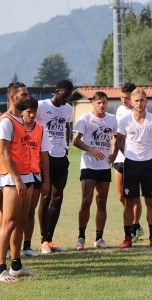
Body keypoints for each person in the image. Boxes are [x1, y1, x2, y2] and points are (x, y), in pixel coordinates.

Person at [117, 88, 152, 249]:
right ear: (131, 101)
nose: (139, 103)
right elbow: (120, 141)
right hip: (131, 164)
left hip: (149, 164)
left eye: (142, 100)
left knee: (151, 202)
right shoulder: (124, 121)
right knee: (129, 202)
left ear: (146, 101)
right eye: (136, 100)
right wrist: (129, 155)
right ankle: (127, 237)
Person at [73, 92, 118, 250]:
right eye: (99, 102)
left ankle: (99, 238)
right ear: (93, 103)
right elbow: (75, 141)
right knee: (86, 201)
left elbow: (116, 138)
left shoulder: (112, 119)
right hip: (89, 165)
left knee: (102, 202)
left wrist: (114, 153)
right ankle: (81, 237)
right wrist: (91, 150)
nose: (102, 105)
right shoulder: (85, 119)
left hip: (104, 166)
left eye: (104, 102)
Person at [0, 82, 35, 283]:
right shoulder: (6, 122)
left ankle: (16, 265)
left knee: (21, 222)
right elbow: (4, 154)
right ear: (13, 98)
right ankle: (0, 269)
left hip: (26, 176)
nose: (27, 96)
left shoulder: (20, 120)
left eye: (27, 93)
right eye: (24, 94)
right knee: (9, 222)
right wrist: (17, 179)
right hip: (13, 179)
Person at [36, 79, 73, 254]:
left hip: (61, 156)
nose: (66, 99)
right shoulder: (42, 106)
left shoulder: (68, 109)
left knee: (58, 198)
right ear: (57, 91)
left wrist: (66, 146)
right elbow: (29, 122)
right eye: (64, 95)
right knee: (45, 196)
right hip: (45, 156)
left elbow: (66, 125)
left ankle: (50, 239)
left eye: (69, 96)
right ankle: (43, 240)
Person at [113, 83, 144, 243]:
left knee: (134, 196)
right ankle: (134, 224)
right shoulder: (119, 110)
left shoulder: (139, 112)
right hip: (119, 158)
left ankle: (135, 226)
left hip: (135, 160)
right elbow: (117, 135)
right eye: (122, 97)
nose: (124, 100)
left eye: (127, 98)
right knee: (121, 196)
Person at [21, 97, 50, 257]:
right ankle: (10, 247)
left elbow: (44, 156)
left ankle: (27, 246)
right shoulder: (15, 127)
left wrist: (46, 180)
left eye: (34, 112)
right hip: (19, 175)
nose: (32, 115)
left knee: (30, 211)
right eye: (29, 112)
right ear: (22, 112)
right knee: (13, 214)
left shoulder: (41, 129)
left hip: (35, 174)